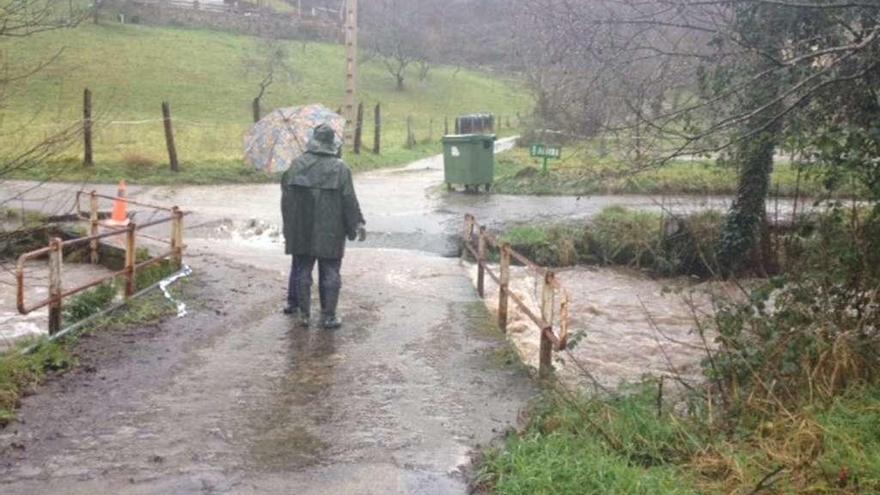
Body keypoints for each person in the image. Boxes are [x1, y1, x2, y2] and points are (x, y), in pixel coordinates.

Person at [281, 124, 366, 329]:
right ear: (331, 143)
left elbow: (286, 200)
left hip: (301, 228)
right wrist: (357, 223)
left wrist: (289, 228)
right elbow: (349, 201)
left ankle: (303, 314)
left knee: (302, 268)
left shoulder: (295, 165)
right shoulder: (340, 168)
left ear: (313, 140)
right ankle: (328, 316)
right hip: (331, 230)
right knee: (330, 270)